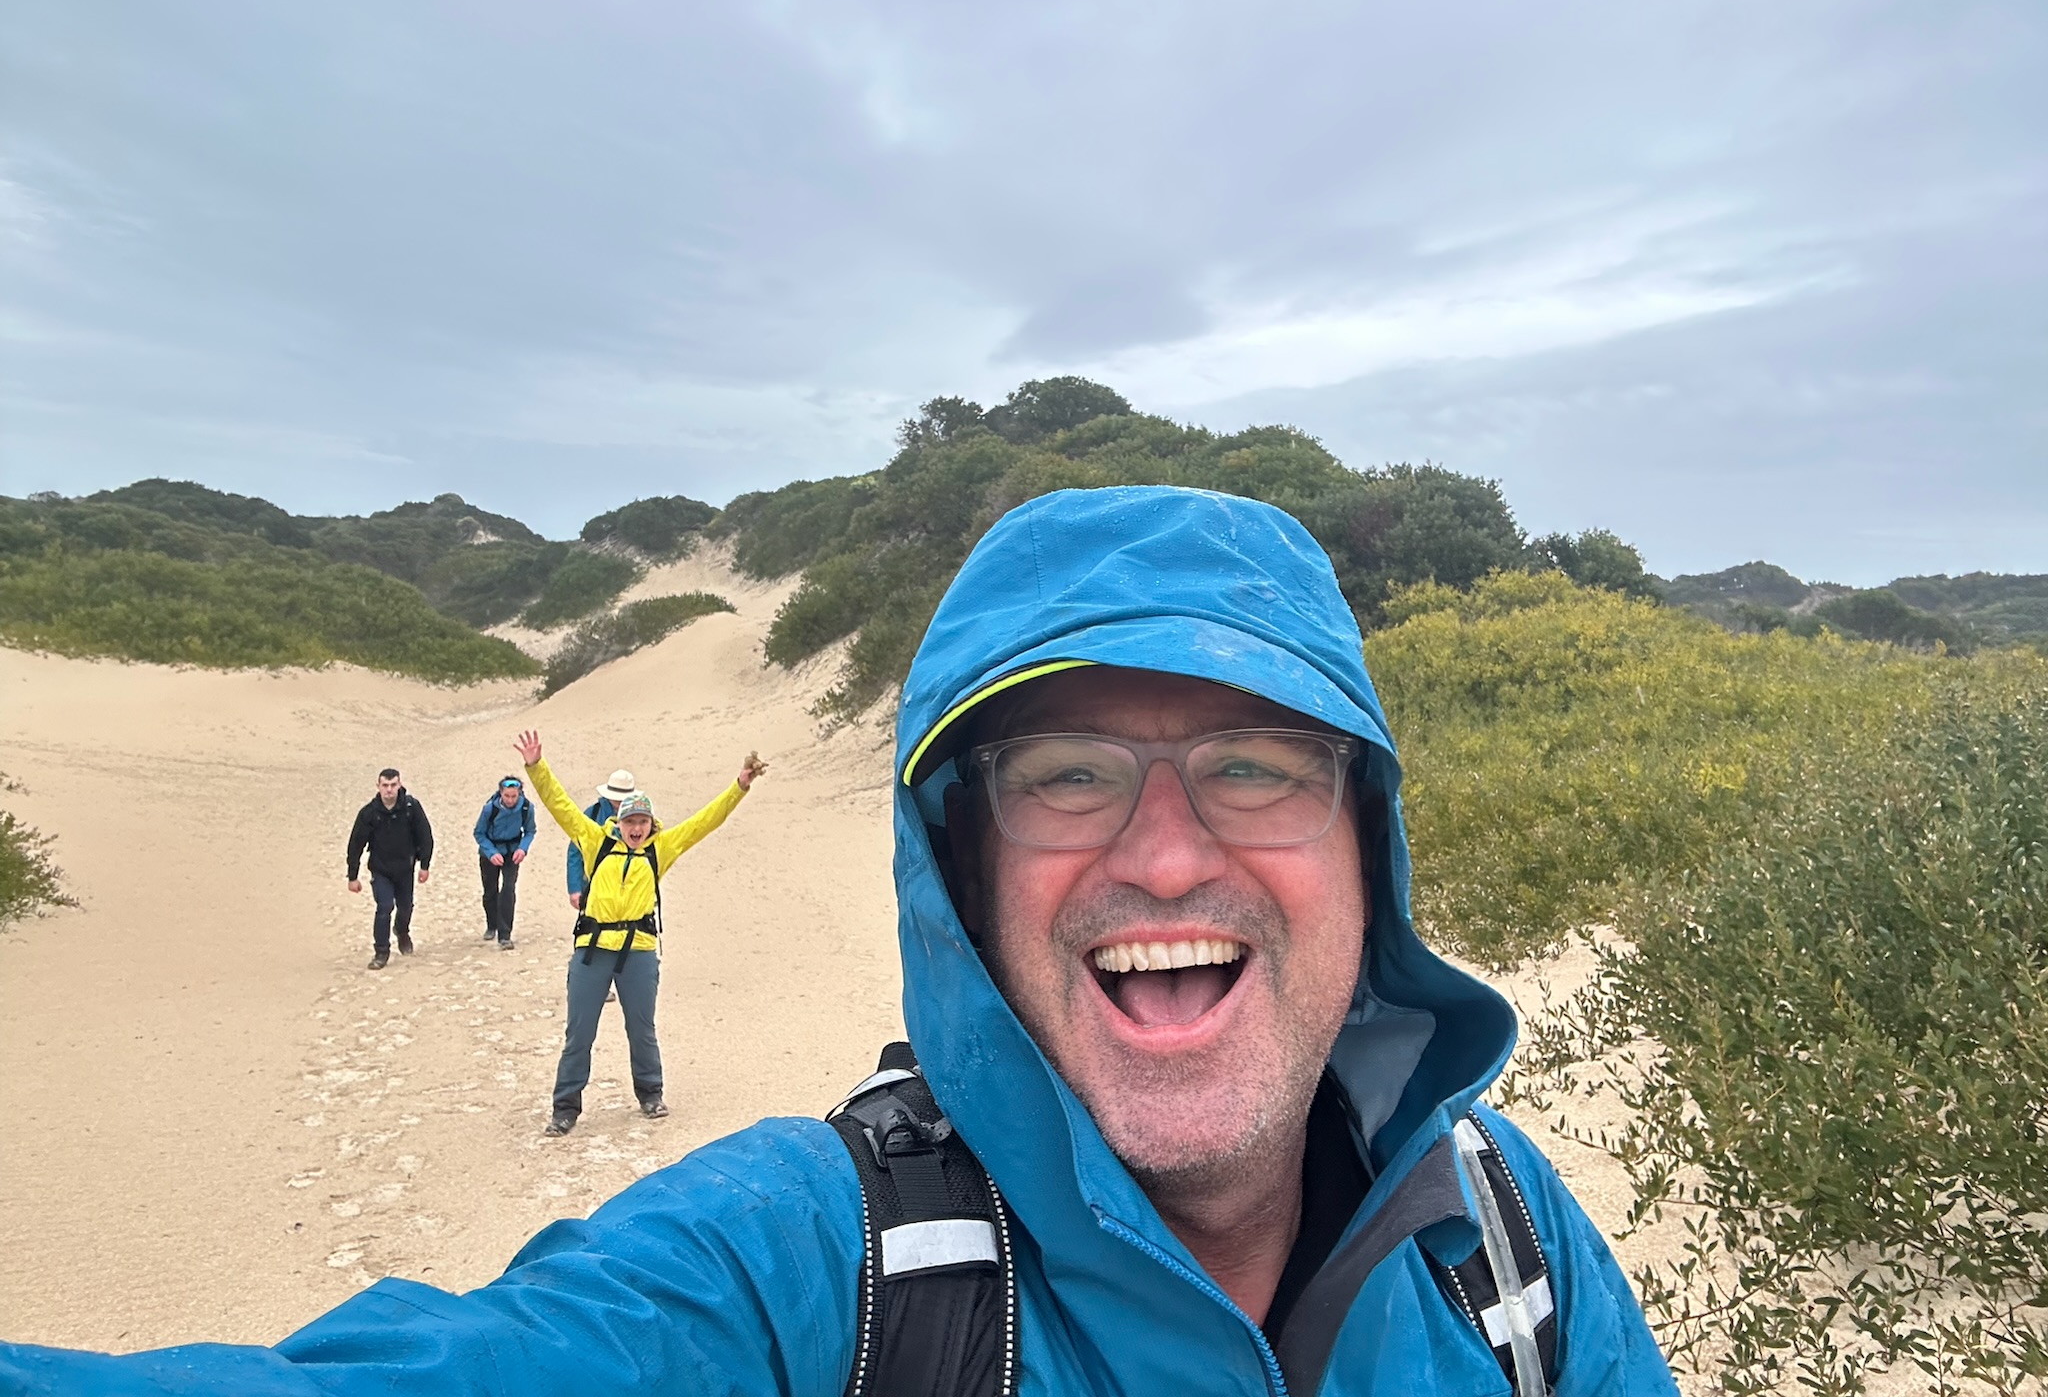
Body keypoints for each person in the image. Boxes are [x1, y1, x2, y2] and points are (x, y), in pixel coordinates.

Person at [1, 486, 1675, 1395]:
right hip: (583, 944)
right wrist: (523, 799)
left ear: (1362, 850)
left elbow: (691, 833)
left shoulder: (1505, 1251)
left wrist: (720, 789)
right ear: (958, 868)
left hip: (631, 948)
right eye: (1067, 775)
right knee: (593, 1033)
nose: (1165, 853)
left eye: (1256, 765)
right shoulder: (811, 1277)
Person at [515, 737, 769, 1136]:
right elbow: (560, 806)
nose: (636, 828)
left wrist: (739, 786)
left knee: (642, 1028)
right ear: (619, 822)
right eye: (630, 822)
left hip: (639, 951)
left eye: (642, 822)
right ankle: (565, 1107)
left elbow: (705, 821)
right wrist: (537, 768)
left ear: (651, 825)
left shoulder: (661, 848)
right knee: (579, 1033)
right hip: (592, 950)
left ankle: (650, 1093)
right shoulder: (595, 840)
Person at [343, 767, 433, 971]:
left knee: (406, 905)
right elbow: (355, 844)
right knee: (384, 907)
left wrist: (424, 865)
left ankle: (402, 931)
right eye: (385, 785)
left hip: (405, 868)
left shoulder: (411, 807)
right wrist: (352, 876)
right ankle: (381, 951)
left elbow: (425, 836)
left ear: (399, 785)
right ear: (378, 786)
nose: (389, 790)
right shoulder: (369, 812)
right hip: (381, 869)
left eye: (393, 785)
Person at [471, 775, 536, 949]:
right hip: (490, 852)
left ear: (519, 793)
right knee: (490, 891)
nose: (510, 800)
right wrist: (491, 853)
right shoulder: (489, 810)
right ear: (501, 793)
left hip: (512, 852)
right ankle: (492, 924)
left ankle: (505, 935)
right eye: (506, 796)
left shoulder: (527, 808)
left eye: (514, 796)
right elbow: (479, 833)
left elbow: (530, 831)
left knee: (508, 889)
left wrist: (523, 848)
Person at [566, 768, 637, 903]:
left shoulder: (642, 819)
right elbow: (576, 850)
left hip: (630, 889)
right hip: (595, 887)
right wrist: (575, 888)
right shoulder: (593, 813)